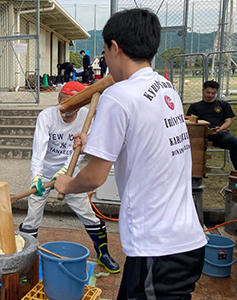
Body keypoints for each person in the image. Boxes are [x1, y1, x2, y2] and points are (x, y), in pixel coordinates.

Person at [55, 9, 207, 299]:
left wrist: (68, 184)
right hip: (182, 240)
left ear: (115, 47)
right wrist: (95, 141)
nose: (105, 60)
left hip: (159, 247)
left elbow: (95, 177)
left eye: (104, 51)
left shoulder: (119, 95)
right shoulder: (166, 88)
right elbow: (147, 141)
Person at [19, 81, 120, 273]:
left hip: (69, 173)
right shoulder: (46, 116)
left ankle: (103, 254)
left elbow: (80, 150)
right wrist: (36, 177)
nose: (69, 112)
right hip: (45, 174)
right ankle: (25, 263)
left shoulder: (86, 118)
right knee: (32, 218)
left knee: (88, 215)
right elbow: (38, 150)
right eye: (66, 105)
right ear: (59, 99)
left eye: (75, 107)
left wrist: (65, 172)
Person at [187, 80, 237, 170]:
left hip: (220, 134)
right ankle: (193, 171)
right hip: (201, 136)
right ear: (203, 90)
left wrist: (220, 129)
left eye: (213, 93)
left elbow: (228, 121)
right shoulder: (195, 106)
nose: (210, 95)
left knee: (233, 141)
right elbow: (190, 122)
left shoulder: (223, 105)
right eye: (208, 92)